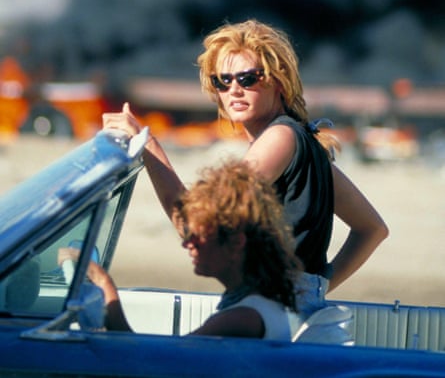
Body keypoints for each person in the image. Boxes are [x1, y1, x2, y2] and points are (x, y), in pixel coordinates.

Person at [103, 19, 389, 316]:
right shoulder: (306, 143)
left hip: (267, 304)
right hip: (288, 306)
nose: (234, 90)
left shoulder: (280, 138)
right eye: (222, 81)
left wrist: (147, 146)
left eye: (248, 78)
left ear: (279, 81)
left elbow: (196, 226)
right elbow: (373, 228)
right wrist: (317, 287)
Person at [59, 159, 304, 339]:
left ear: (236, 243)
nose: (187, 243)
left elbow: (147, 364)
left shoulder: (241, 318)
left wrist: (105, 286)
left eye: (198, 236)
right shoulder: (262, 303)